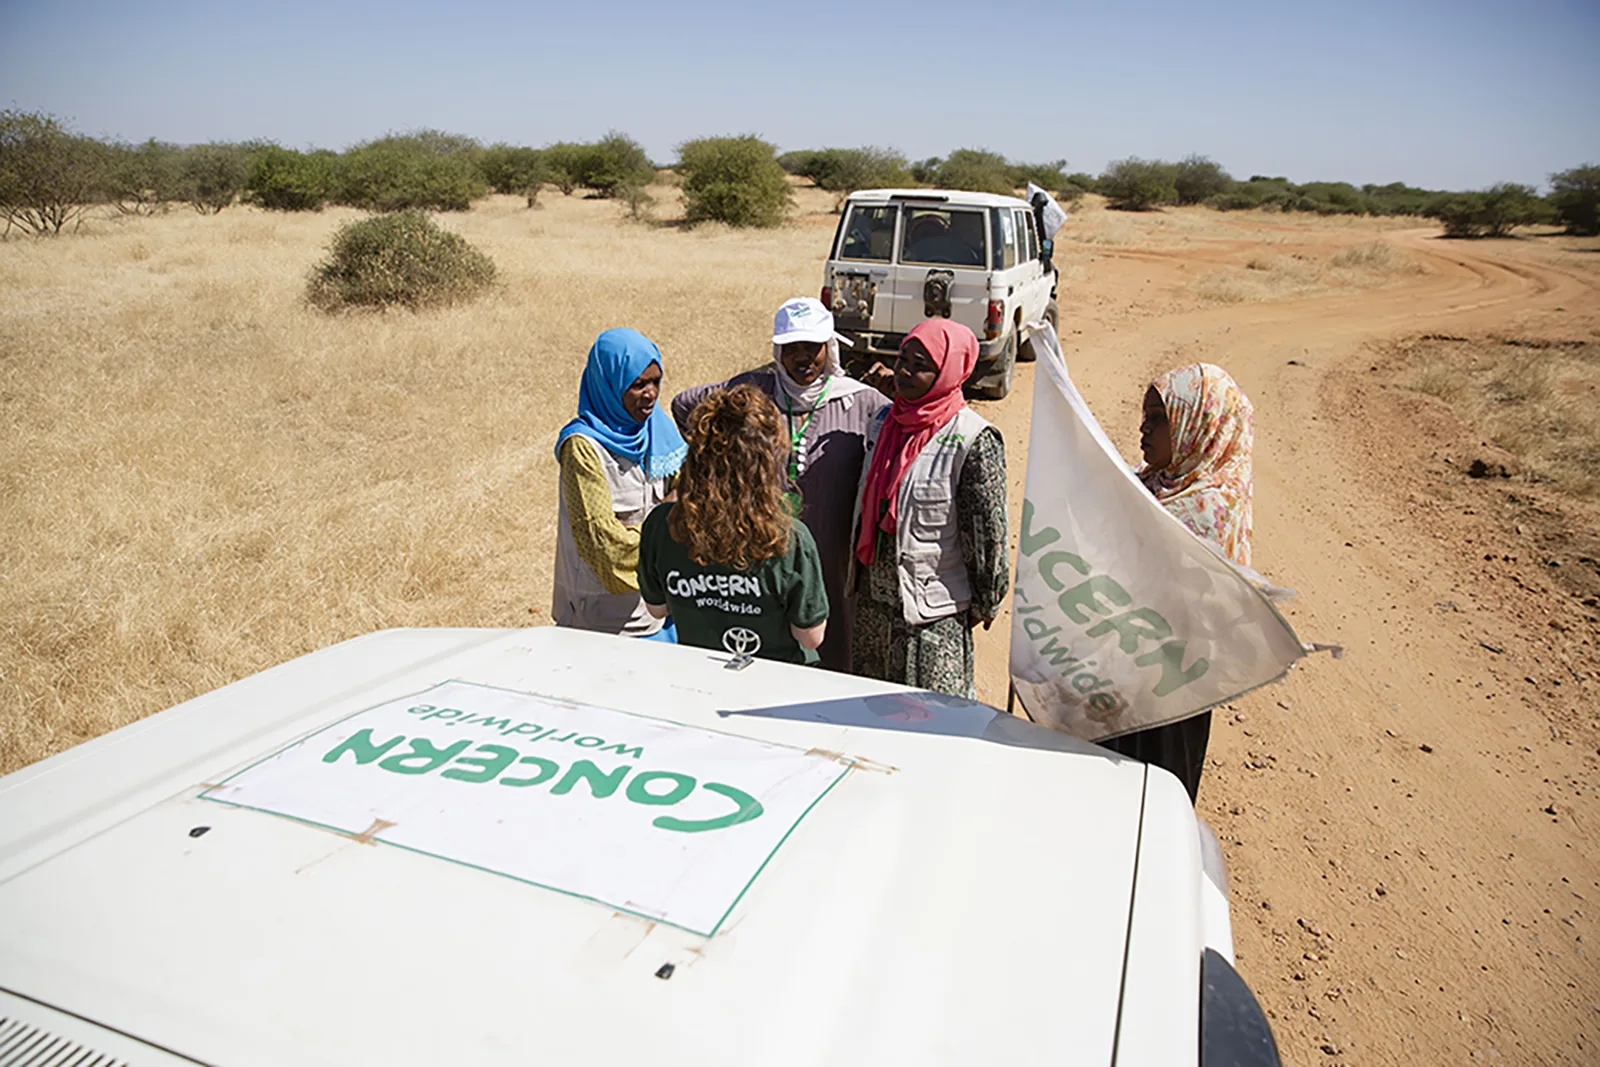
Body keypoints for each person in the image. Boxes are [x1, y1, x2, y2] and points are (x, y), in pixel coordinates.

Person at [670, 298, 888, 672]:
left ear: (829, 347)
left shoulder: (862, 402)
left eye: (812, 347)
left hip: (832, 553)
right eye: (792, 348)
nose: (803, 358)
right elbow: (684, 405)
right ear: (778, 351)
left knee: (832, 645)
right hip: (764, 552)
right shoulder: (754, 391)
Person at [1100, 363, 1255, 801]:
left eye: (1158, 420)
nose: (1143, 430)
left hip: (1173, 689)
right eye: (1144, 417)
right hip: (1116, 674)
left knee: (1153, 799)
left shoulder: (1210, 507)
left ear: (1197, 427)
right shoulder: (1146, 483)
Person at [850, 320, 1009, 699]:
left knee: (934, 726)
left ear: (949, 370)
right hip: (874, 610)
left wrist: (986, 601)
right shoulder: (885, 422)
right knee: (870, 719)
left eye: (919, 364)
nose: (903, 371)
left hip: (933, 619)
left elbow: (987, 535)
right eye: (902, 359)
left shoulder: (973, 440)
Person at [639, 385, 829, 664]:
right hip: (779, 683)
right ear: (765, 461)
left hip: (696, 677)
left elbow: (657, 610)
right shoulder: (791, 538)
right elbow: (811, 636)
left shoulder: (662, 524)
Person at [551, 328, 687, 640]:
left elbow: (694, 488)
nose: (651, 393)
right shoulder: (583, 447)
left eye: (655, 381)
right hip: (605, 623)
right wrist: (669, 519)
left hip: (663, 610)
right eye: (638, 385)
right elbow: (604, 545)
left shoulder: (659, 430)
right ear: (609, 384)